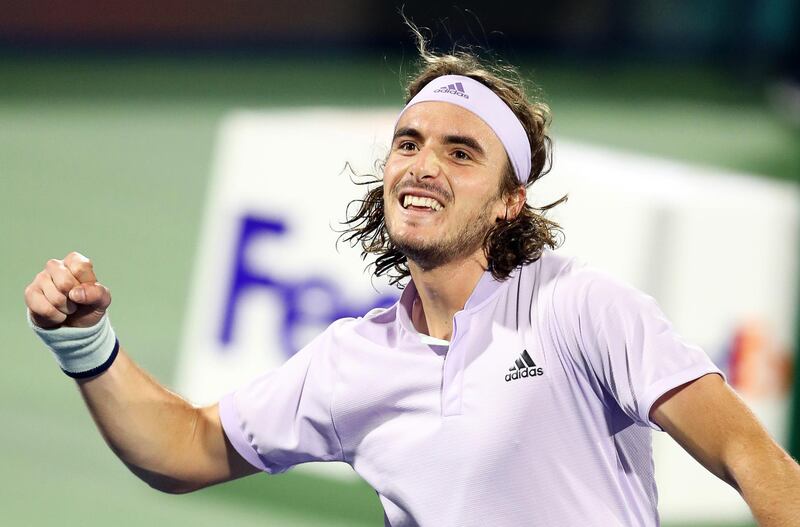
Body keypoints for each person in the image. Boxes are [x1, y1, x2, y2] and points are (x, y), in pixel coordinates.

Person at [24, 33, 800, 526]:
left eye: (462, 153)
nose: (425, 164)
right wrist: (85, 343)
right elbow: (186, 445)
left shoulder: (580, 307)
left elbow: (752, 456)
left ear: (508, 202)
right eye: (409, 143)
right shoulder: (349, 360)